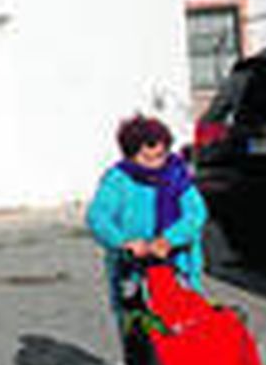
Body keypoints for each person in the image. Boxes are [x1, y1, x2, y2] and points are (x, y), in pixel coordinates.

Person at [86, 113, 208, 317]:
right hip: (132, 270)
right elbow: (98, 217)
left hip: (177, 265)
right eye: (146, 158)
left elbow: (196, 213)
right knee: (139, 332)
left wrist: (169, 239)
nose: (155, 164)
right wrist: (123, 242)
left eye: (160, 156)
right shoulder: (118, 180)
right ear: (130, 154)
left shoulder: (178, 176)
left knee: (185, 328)